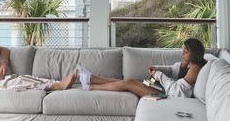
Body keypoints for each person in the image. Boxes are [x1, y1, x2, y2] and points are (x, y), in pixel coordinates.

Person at [0, 25, 76, 92]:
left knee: (23, 77)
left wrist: (4, 63)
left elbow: (4, 50)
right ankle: (57, 86)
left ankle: (58, 83)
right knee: (19, 82)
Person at [78, 38, 206, 99]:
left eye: (186, 51)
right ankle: (91, 78)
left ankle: (90, 87)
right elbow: (173, 70)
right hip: (161, 88)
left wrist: (158, 75)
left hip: (166, 96)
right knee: (131, 81)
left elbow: (178, 92)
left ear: (194, 53)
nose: (182, 53)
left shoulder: (195, 68)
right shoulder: (187, 63)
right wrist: (158, 69)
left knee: (128, 83)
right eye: (182, 49)